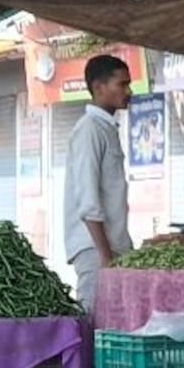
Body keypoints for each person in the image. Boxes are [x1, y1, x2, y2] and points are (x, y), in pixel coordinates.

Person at [64, 54, 135, 314]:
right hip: (96, 250)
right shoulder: (89, 130)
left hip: (112, 247)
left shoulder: (106, 128)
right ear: (98, 87)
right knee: (95, 326)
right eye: (122, 84)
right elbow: (88, 200)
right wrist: (105, 256)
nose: (128, 91)